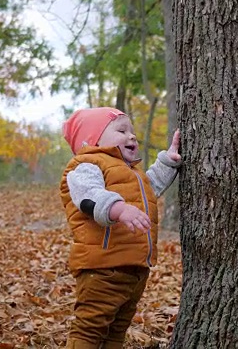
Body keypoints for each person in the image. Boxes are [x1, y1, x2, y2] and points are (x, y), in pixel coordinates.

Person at [60, 107, 181, 349]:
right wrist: (120, 209)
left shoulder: (130, 172)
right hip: (103, 268)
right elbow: (89, 196)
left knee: (116, 331)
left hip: (133, 270)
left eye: (133, 131)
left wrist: (168, 160)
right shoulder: (85, 165)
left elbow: (150, 189)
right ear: (93, 139)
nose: (132, 136)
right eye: (122, 130)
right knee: (90, 329)